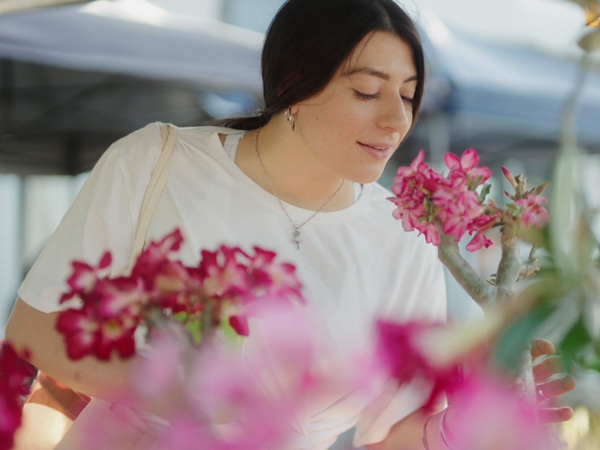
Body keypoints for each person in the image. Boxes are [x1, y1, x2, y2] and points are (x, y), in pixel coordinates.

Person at [5, 0, 575, 449]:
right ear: (293, 86)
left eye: (407, 95)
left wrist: (472, 420)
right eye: (366, 91)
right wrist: (197, 395)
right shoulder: (157, 161)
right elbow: (35, 330)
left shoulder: (403, 234)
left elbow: (387, 434)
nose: (396, 120)